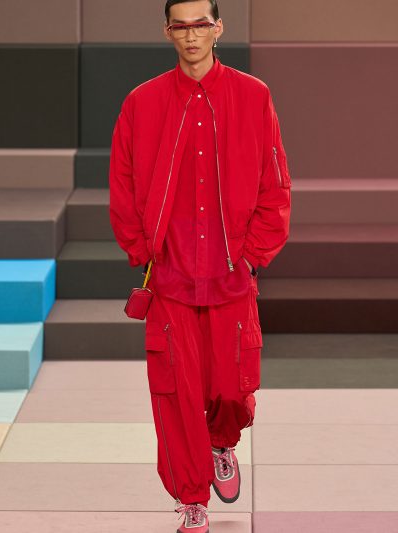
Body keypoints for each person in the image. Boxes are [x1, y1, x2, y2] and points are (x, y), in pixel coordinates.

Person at [109, 1, 292, 531]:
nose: (192, 36)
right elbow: (122, 182)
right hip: (170, 278)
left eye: (201, 25)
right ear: (168, 32)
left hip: (231, 274)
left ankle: (221, 442)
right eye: (181, 27)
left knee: (233, 388)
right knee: (176, 395)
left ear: (218, 29)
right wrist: (143, 250)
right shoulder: (142, 102)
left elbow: (275, 182)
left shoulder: (253, 96)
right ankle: (191, 499)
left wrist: (253, 256)